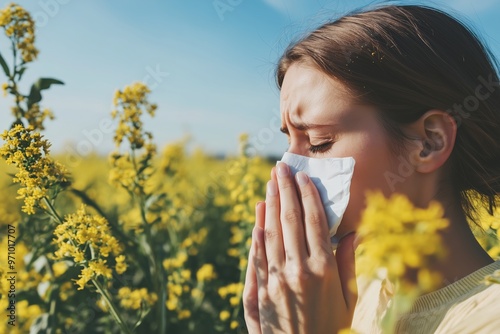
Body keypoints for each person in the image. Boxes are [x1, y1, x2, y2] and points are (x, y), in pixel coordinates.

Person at [242, 4, 500, 333]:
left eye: (319, 142)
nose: (285, 173)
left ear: (429, 141)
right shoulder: (343, 291)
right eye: (289, 142)